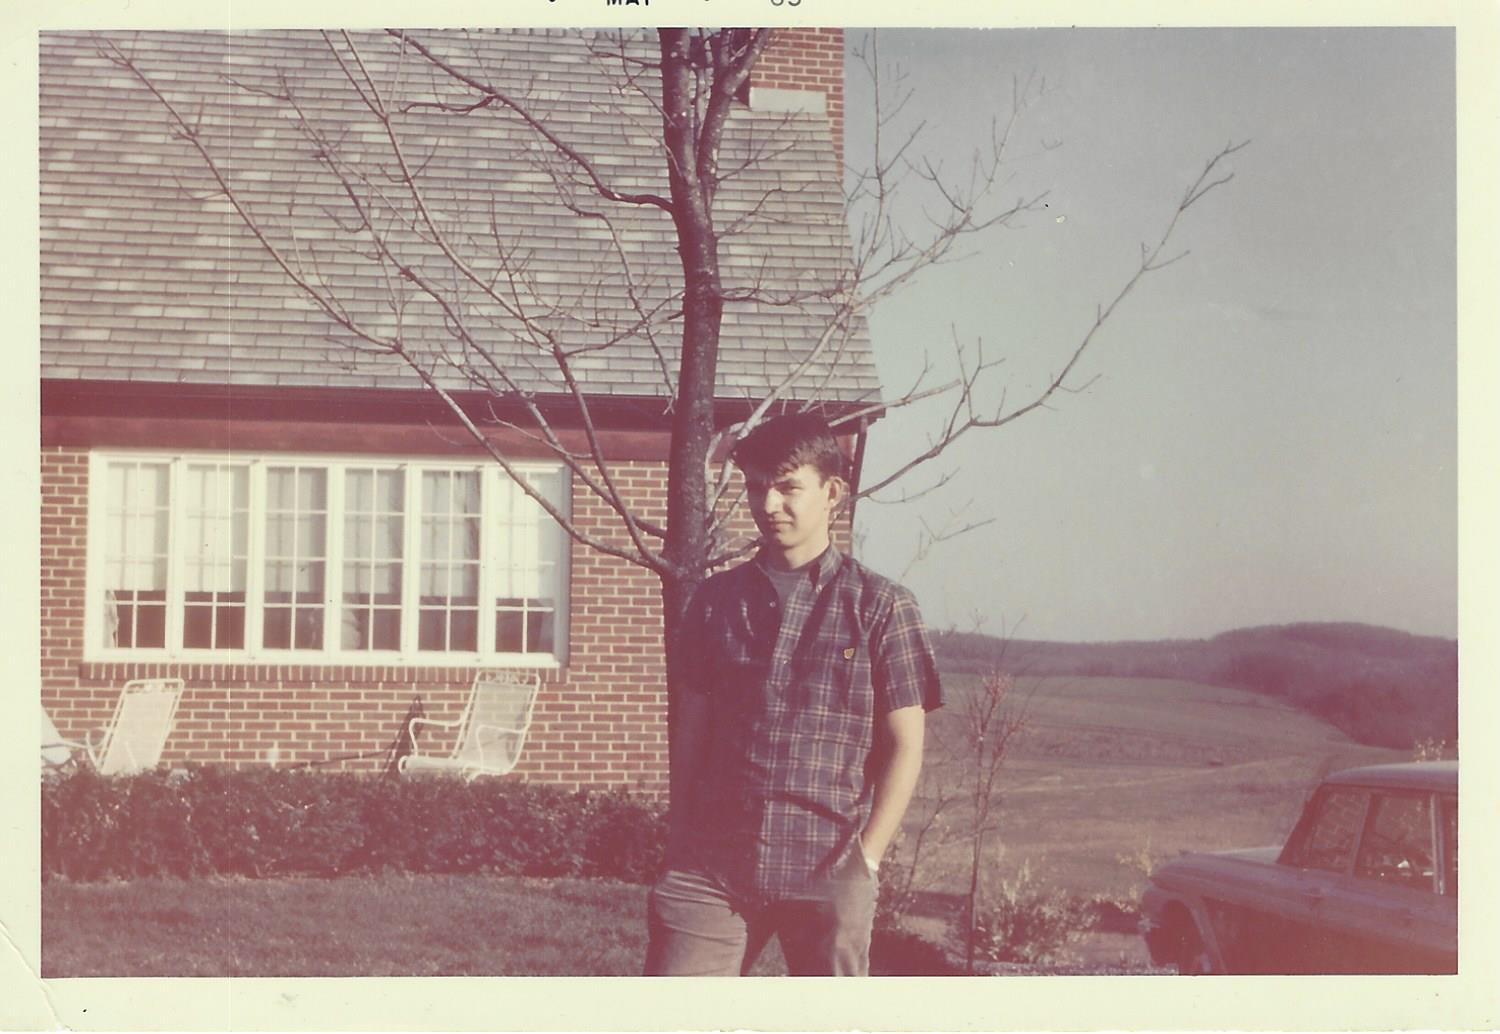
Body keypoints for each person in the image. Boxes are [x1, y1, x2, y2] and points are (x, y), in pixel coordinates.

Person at [644, 412, 944, 976]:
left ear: (831, 493)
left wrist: (867, 859)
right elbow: (691, 732)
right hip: (712, 866)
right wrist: (679, 838)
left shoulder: (882, 607)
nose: (768, 505)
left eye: (787, 487)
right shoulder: (714, 602)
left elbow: (906, 745)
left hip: (827, 864)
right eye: (757, 488)